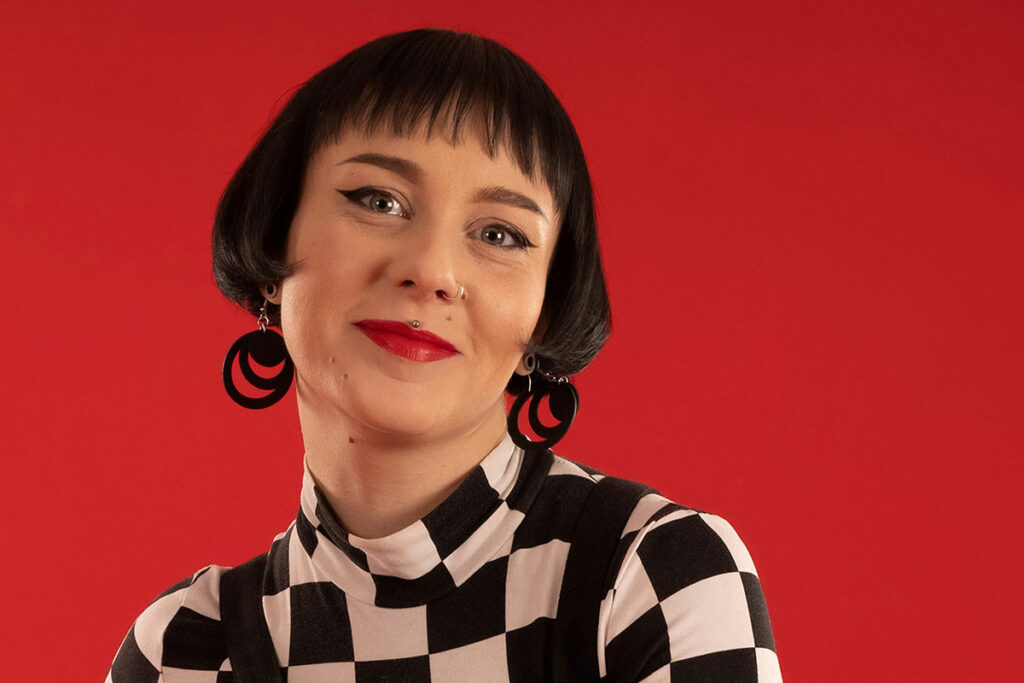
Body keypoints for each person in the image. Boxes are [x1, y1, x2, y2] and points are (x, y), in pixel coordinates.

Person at [106, 29, 782, 682]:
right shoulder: (184, 652)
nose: (431, 270)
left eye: (499, 234)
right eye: (379, 200)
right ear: (272, 244)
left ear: (545, 314)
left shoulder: (654, 574)